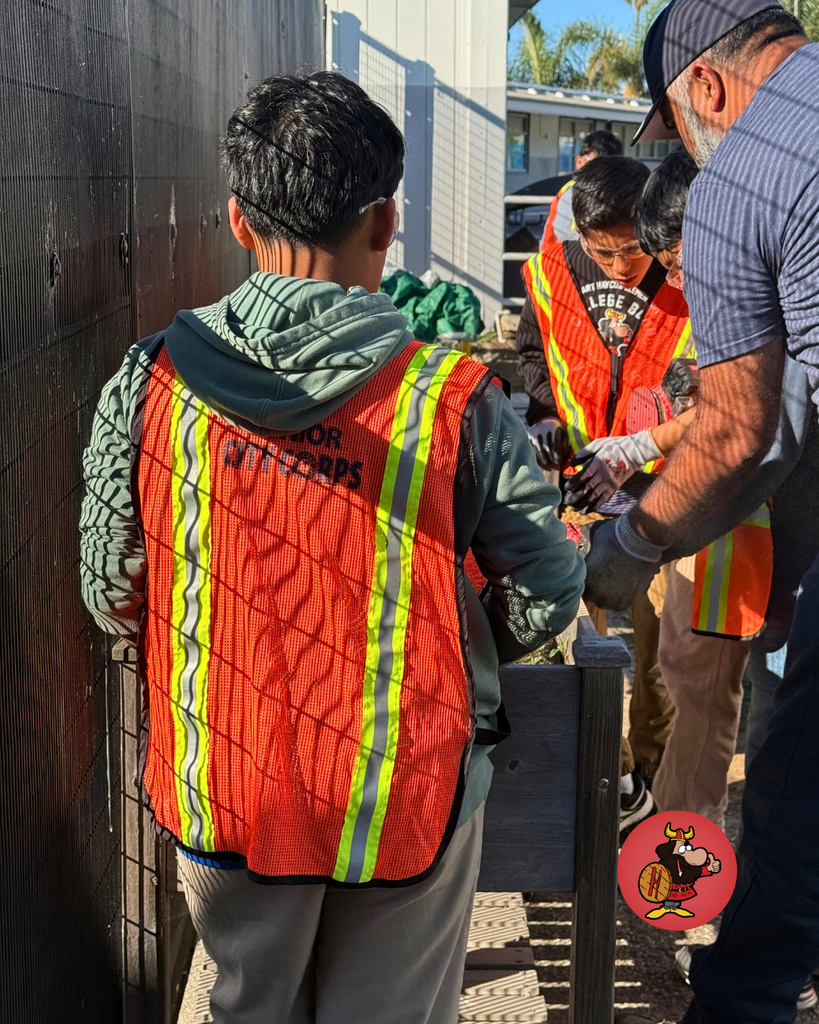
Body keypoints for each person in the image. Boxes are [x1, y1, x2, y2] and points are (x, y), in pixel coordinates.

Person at [78, 72, 585, 1024]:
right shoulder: (454, 399)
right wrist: (466, 647)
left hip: (227, 787)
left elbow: (110, 589)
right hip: (408, 791)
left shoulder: (146, 383)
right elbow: (550, 583)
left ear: (236, 219)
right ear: (385, 222)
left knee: (247, 1006)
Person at [581, 2, 819, 1020]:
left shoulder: (742, 184)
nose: (637, 272)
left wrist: (629, 533)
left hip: (734, 567)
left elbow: (735, 429)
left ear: (709, 90)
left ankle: (681, 916)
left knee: (748, 765)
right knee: (694, 737)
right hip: (734, 576)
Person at [518, 155, 693, 836]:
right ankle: (611, 782)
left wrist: (642, 448)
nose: (621, 265)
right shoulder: (553, 272)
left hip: (661, 494)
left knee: (657, 664)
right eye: (604, 251)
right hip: (578, 490)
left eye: (632, 249)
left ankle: (650, 787)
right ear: (582, 239)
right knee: (583, 653)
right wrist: (542, 423)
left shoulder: (683, 276)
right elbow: (535, 358)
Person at [582, 149, 754, 832]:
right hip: (713, 530)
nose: (665, 278)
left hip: (735, 531)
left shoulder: (749, 296)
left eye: (672, 261)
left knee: (700, 699)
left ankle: (676, 886)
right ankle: (671, 873)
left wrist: (640, 452)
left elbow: (735, 415)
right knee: (690, 683)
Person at [540, 129, 624, 249]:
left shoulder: (624, 197)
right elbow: (548, 237)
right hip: (562, 263)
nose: (596, 173)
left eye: (604, 167)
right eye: (591, 165)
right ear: (578, 162)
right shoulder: (565, 192)